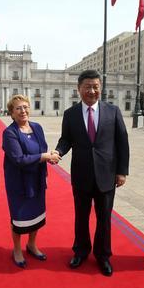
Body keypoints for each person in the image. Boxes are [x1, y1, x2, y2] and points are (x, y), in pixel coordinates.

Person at [54, 70, 129, 277]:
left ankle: (103, 256)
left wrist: (122, 171)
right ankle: (80, 252)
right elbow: (66, 139)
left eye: (96, 86)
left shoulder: (113, 111)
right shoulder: (70, 114)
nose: (92, 90)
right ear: (79, 89)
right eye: (87, 86)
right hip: (81, 175)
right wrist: (58, 152)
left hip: (107, 175)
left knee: (104, 218)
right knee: (81, 217)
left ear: (100, 88)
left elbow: (122, 142)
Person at [2, 94, 60, 268]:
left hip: (37, 178)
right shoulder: (9, 132)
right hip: (18, 182)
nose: (23, 111)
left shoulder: (37, 127)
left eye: (25, 107)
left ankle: (32, 244)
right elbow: (19, 159)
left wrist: (52, 156)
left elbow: (43, 149)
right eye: (18, 108)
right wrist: (44, 156)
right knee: (19, 217)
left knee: (36, 214)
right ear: (11, 113)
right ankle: (17, 249)